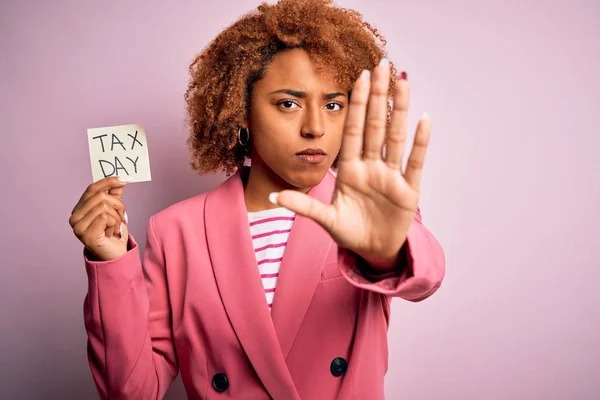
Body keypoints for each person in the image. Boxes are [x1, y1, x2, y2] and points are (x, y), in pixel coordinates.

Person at [69, 0, 445, 398]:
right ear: (243, 111)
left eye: (333, 105)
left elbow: (426, 278)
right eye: (288, 103)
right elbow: (132, 392)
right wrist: (111, 265)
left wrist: (388, 253)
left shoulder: (366, 213)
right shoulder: (176, 231)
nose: (315, 128)